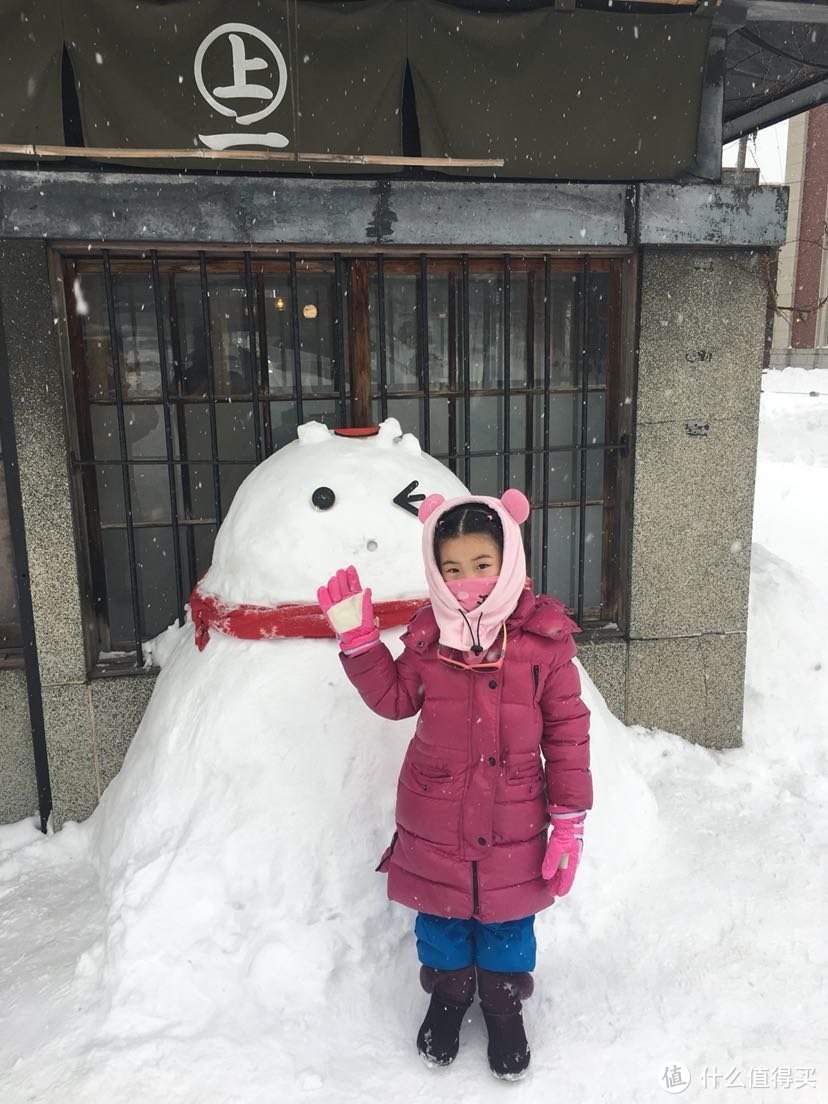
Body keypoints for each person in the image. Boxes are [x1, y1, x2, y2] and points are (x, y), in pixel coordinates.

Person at [316, 489, 592, 1080]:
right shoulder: (427, 637)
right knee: (439, 913)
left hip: (514, 813)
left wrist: (568, 821)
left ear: (510, 558)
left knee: (508, 917)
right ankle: (447, 995)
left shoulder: (544, 643)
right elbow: (395, 700)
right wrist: (360, 644)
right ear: (436, 573)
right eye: (453, 569)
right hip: (434, 810)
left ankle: (502, 1005)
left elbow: (568, 734)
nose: (468, 581)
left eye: (482, 566)